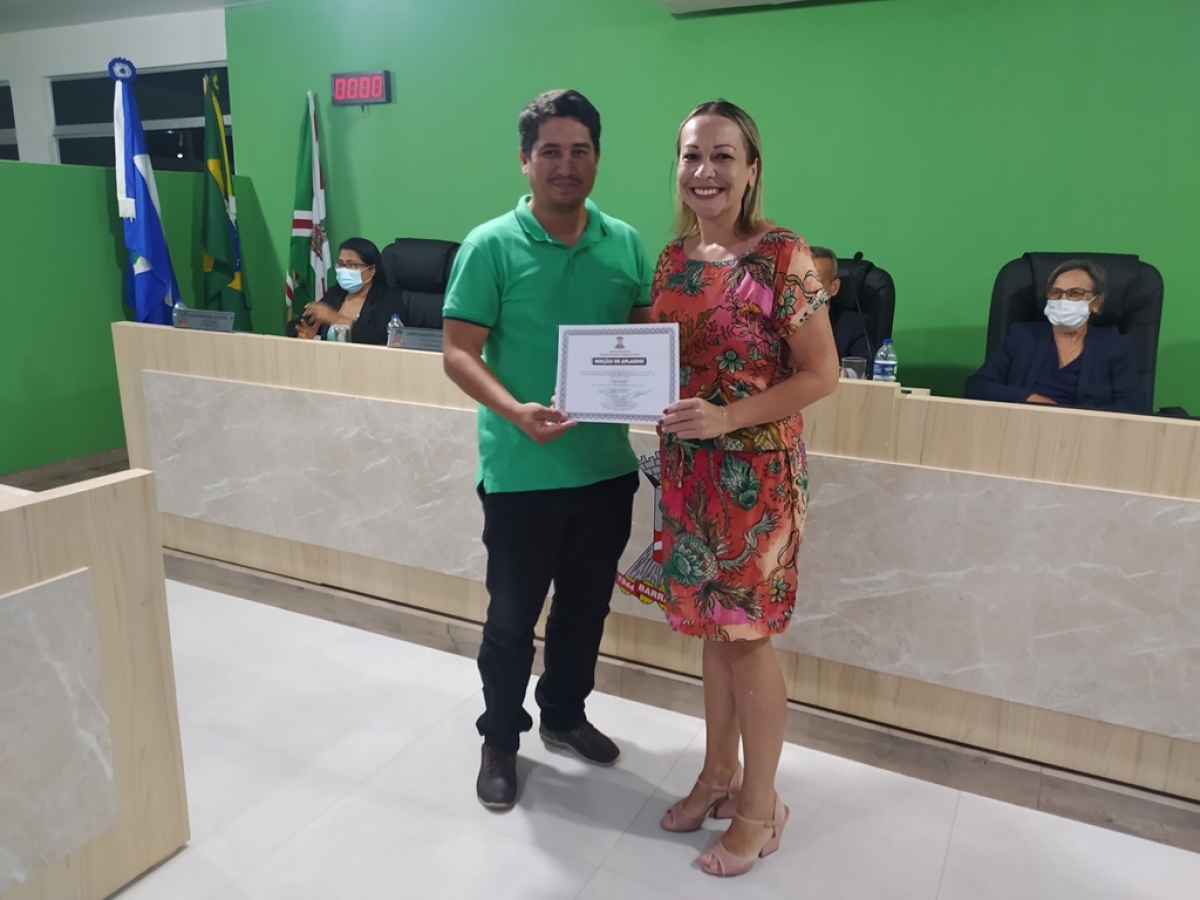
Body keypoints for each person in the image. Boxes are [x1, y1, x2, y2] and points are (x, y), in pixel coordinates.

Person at [441, 89, 651, 811]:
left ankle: (563, 714)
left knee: (585, 612)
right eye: (551, 152)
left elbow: (643, 340)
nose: (566, 165)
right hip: (522, 473)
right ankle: (501, 738)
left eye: (580, 151)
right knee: (511, 621)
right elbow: (458, 351)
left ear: (597, 157)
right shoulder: (490, 245)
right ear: (525, 160)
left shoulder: (625, 242)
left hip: (606, 471)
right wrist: (515, 412)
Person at [652, 100, 839, 876]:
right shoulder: (672, 259)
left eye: (723, 156)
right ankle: (716, 776)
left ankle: (761, 808)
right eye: (692, 155)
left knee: (748, 638)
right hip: (689, 475)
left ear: (752, 169)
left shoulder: (782, 255)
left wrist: (727, 417)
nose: (706, 171)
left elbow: (821, 374)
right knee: (713, 632)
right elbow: (664, 358)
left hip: (757, 480)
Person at [964, 259, 1145, 412]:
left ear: (1096, 303)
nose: (1063, 300)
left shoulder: (1116, 348)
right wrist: (1028, 397)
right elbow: (977, 386)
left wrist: (1076, 418)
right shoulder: (1022, 337)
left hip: (1088, 436)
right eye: (1056, 293)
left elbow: (1133, 405)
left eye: (1075, 293)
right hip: (1024, 428)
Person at [288, 237, 403, 343]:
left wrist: (335, 318)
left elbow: (384, 338)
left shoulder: (389, 298)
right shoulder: (335, 294)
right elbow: (293, 326)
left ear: (372, 270)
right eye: (341, 264)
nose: (344, 270)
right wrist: (304, 333)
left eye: (351, 265)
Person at [810, 245, 873, 363]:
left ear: (834, 287)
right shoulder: (778, 322)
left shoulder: (853, 326)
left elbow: (861, 370)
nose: (805, 289)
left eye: (815, 282)